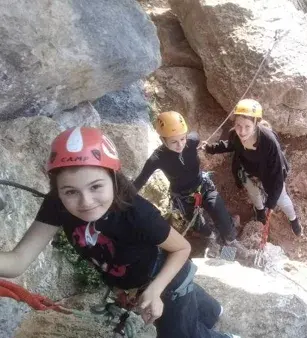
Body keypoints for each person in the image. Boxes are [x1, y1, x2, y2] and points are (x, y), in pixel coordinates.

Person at [0, 127, 238, 338]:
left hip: (165, 274)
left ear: (113, 178)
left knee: (179, 333)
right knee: (191, 311)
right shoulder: (57, 205)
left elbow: (182, 248)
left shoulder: (134, 211)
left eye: (95, 186)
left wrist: (155, 291)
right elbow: (18, 261)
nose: (86, 202)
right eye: (71, 191)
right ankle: (211, 311)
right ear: (57, 190)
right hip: (135, 279)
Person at [133, 111, 239, 246]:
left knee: (221, 214)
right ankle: (212, 239)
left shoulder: (192, 141)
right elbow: (141, 180)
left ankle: (230, 240)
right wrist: (122, 198)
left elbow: (196, 137)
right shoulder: (157, 158)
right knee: (199, 226)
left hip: (203, 186)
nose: (180, 145)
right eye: (174, 142)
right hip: (183, 197)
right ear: (162, 140)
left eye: (182, 139)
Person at [201, 99, 302, 236]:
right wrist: (210, 148)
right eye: (238, 125)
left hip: (269, 173)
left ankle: (293, 219)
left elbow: (278, 173)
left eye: (247, 126)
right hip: (248, 170)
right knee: (254, 193)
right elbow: (229, 144)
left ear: (256, 123)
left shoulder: (268, 141)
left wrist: (271, 203)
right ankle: (259, 211)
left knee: (281, 199)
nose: (242, 132)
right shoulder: (235, 134)